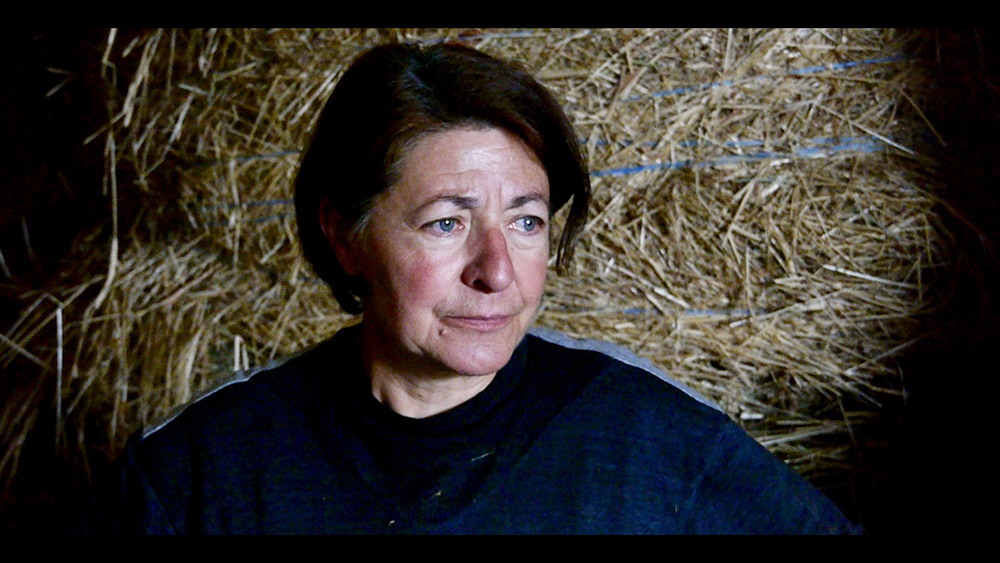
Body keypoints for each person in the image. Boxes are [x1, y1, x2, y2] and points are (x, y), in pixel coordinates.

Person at [92, 42, 860, 534]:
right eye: (445, 223)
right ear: (343, 235)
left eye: (526, 222)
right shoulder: (205, 472)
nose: (497, 271)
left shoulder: (645, 438)